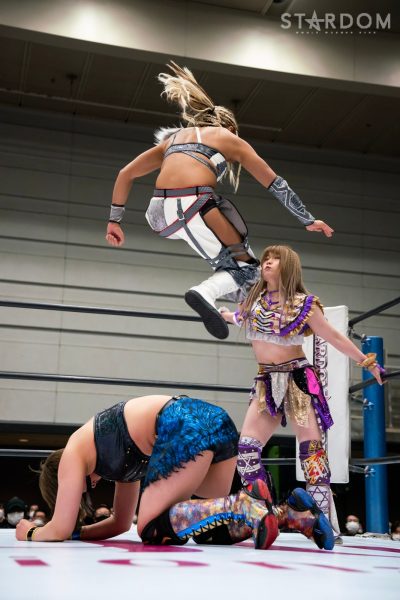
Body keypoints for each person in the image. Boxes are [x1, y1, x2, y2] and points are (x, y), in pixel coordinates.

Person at [106, 62, 333, 340]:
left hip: (159, 216)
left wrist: (114, 221)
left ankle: (230, 301)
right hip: (195, 205)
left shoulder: (172, 140)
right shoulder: (228, 138)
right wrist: (307, 219)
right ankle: (204, 293)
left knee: (228, 266)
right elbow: (275, 183)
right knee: (248, 268)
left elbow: (125, 174)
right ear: (229, 127)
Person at [15, 393, 334, 550]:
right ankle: (291, 513)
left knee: (151, 528)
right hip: (215, 422)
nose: (95, 484)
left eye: (87, 487)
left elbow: (59, 527)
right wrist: (79, 533)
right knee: (209, 532)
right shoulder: (117, 462)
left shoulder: (73, 451)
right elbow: (120, 522)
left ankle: (242, 504)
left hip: (184, 422)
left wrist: (30, 532)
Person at [220, 245, 384, 531]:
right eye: (266, 258)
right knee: (246, 449)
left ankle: (322, 521)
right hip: (266, 381)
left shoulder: (304, 304)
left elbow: (334, 336)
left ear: (288, 267)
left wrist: (366, 361)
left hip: (297, 378)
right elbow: (237, 317)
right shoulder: (253, 300)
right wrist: (223, 314)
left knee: (311, 450)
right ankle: (263, 515)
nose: (267, 262)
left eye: (275, 259)